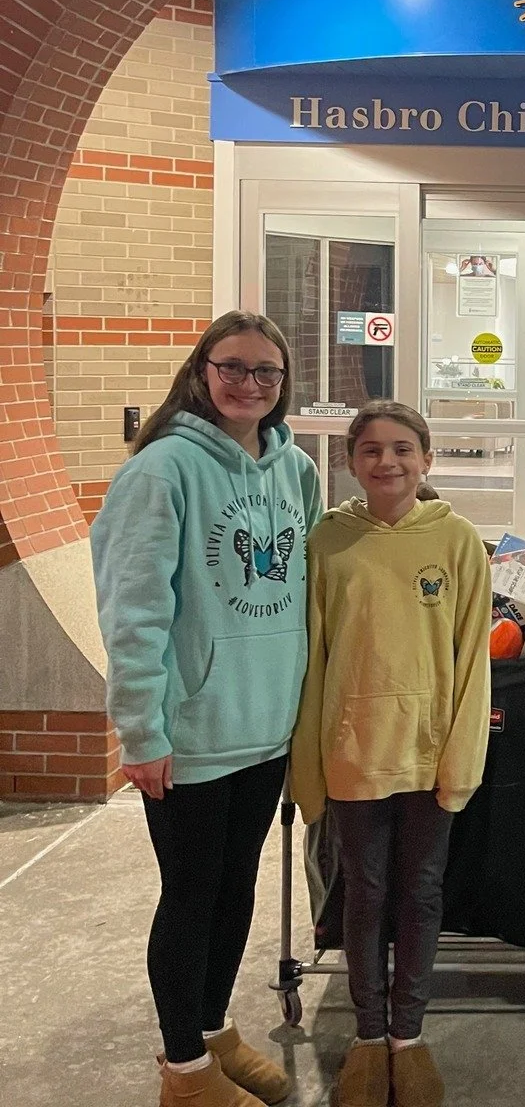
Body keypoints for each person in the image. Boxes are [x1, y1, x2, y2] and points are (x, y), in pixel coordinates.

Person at [93, 311, 322, 1107]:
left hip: (264, 726)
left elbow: (305, 590)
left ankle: (215, 1030)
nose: (250, 384)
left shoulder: (296, 470)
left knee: (238, 892)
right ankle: (184, 1070)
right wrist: (142, 731)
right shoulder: (161, 471)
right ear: (202, 371)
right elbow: (134, 615)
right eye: (234, 367)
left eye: (267, 372)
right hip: (189, 731)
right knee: (191, 894)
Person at [290, 401, 491, 1107]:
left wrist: (460, 758)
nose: (388, 463)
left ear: (427, 459)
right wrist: (307, 763)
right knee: (365, 892)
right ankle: (368, 1037)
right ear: (350, 462)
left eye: (403, 449)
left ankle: (410, 1035)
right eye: (371, 450)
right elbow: (312, 659)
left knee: (421, 892)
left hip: (429, 753)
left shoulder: (459, 541)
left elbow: (473, 663)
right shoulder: (328, 542)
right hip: (353, 753)